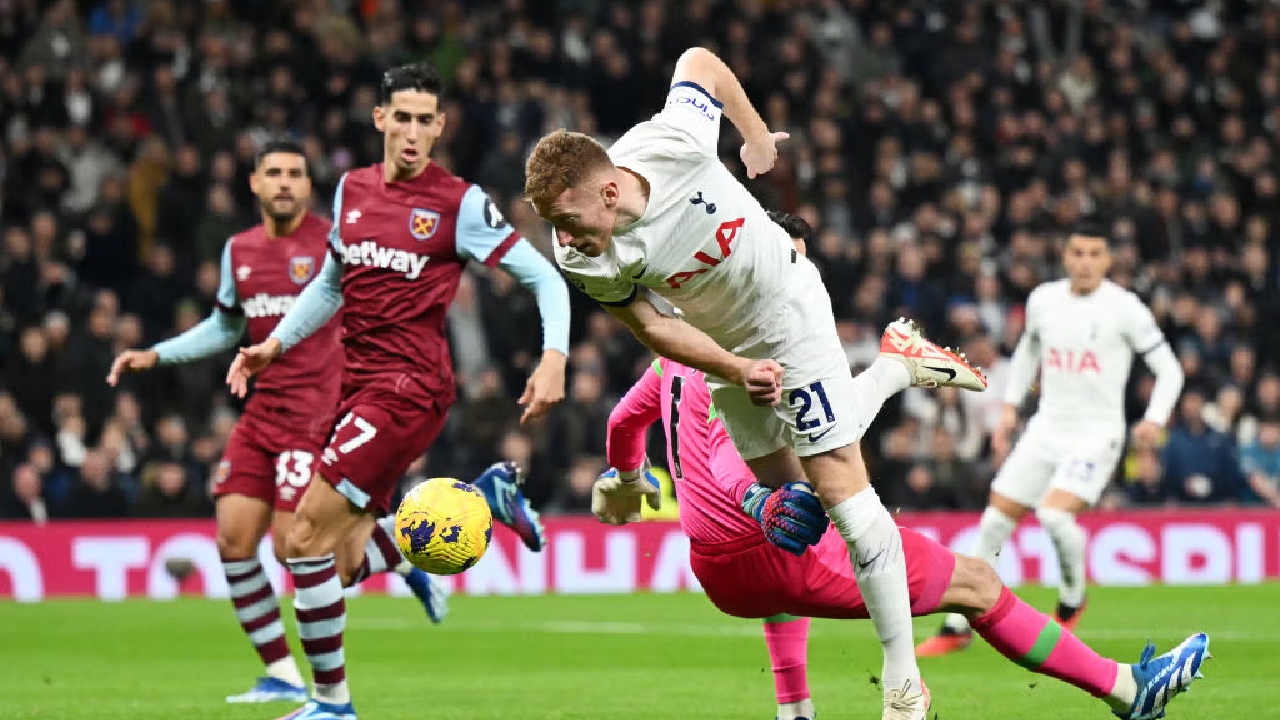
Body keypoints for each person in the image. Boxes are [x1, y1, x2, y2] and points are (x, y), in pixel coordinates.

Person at [524, 46, 985, 719]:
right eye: (553, 227)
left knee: (845, 498)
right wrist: (737, 369)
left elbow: (699, 62)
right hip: (733, 351)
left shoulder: (669, 143)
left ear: (611, 189)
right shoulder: (584, 255)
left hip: (790, 313)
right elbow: (654, 330)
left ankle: (903, 687)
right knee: (800, 495)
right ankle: (891, 368)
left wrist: (756, 134)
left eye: (569, 220)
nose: (565, 240)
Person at [223, 65, 571, 720]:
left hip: (408, 389)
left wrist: (554, 357)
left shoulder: (458, 202)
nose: (413, 132)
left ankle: (332, 705)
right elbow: (330, 284)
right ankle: (484, 500)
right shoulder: (351, 190)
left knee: (302, 538)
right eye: (401, 117)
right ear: (380, 119)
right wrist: (276, 344)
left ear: (440, 128)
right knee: (342, 563)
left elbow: (545, 279)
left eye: (425, 120)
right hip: (356, 388)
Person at [602, 350, 1209, 720]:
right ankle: (1128, 689)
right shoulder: (744, 346)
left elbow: (623, 422)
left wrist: (627, 477)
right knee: (976, 583)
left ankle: (795, 711)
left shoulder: (669, 359)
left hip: (717, 573)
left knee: (798, 547)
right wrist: (758, 501)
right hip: (765, 542)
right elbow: (731, 451)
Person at [108, 140, 451, 704]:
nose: (285, 182)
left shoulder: (336, 240)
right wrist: (158, 354)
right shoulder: (238, 250)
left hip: (319, 416)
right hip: (262, 414)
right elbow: (225, 328)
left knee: (307, 556)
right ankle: (282, 674)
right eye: (274, 173)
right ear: (254, 184)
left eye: (296, 173)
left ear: (310, 186)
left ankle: (406, 550)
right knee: (233, 539)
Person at [917, 223, 1185, 656]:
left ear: (1107, 260)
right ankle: (955, 627)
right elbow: (1028, 352)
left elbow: (1170, 370)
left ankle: (1073, 597)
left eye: (1093, 253)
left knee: (1055, 516)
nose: (1084, 261)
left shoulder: (1126, 308)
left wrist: (1154, 419)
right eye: (1076, 252)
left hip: (1098, 434)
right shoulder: (1044, 300)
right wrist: (1008, 408)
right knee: (994, 521)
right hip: (1046, 427)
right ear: (1065, 256)